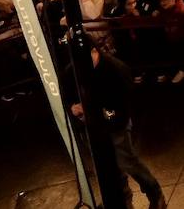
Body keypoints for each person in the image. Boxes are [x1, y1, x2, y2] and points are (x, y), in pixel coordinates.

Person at [71, 48, 166, 209]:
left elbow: (121, 102)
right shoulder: (76, 68)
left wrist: (97, 110)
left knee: (127, 162)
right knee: (106, 165)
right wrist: (74, 106)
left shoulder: (116, 69)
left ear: (94, 51)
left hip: (116, 124)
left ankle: (155, 193)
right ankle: (122, 196)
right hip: (94, 126)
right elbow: (68, 90)